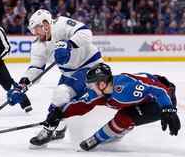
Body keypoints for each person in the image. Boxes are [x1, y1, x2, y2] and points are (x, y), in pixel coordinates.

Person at [7, 9, 103, 147]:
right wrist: (20, 86)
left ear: (45, 24)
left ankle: (48, 129)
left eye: (36, 29)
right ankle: (59, 129)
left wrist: (69, 44)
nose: (35, 33)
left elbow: (86, 33)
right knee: (57, 101)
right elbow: (35, 68)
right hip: (69, 73)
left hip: (91, 66)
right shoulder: (38, 44)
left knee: (62, 95)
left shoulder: (62, 24)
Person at [41, 63, 181, 151]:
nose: (89, 88)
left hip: (161, 98)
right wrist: (59, 114)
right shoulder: (99, 93)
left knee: (124, 118)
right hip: (143, 100)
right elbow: (81, 105)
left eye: (91, 84)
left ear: (102, 84)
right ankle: (117, 131)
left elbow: (159, 91)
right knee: (122, 119)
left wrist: (168, 108)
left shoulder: (126, 88)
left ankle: (103, 136)